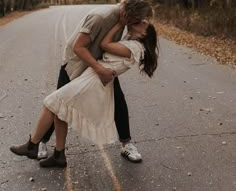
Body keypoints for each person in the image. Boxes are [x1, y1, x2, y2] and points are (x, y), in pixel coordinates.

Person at [10, 20, 158, 168]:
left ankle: (32, 146)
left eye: (143, 23)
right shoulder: (130, 42)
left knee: (51, 102)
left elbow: (104, 45)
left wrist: (119, 24)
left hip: (93, 81)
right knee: (60, 108)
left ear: (144, 33)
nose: (139, 21)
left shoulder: (136, 47)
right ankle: (58, 155)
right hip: (92, 76)